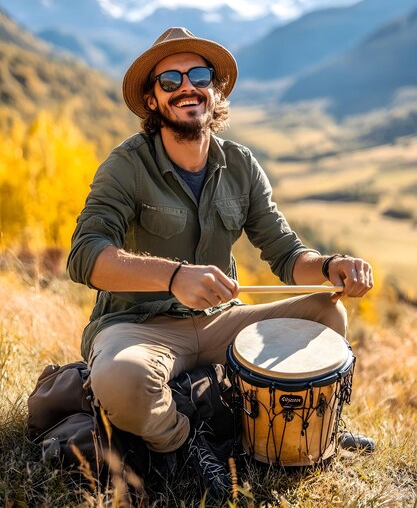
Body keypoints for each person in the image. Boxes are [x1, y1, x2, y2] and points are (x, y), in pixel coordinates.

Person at [67, 27, 374, 499]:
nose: (187, 86)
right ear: (152, 100)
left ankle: (309, 432)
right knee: (119, 379)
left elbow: (287, 254)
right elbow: (85, 255)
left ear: (215, 89)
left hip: (220, 323)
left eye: (200, 75)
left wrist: (332, 266)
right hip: (138, 326)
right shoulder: (125, 165)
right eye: (170, 80)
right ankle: (187, 442)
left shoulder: (242, 165)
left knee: (328, 314)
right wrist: (172, 277)